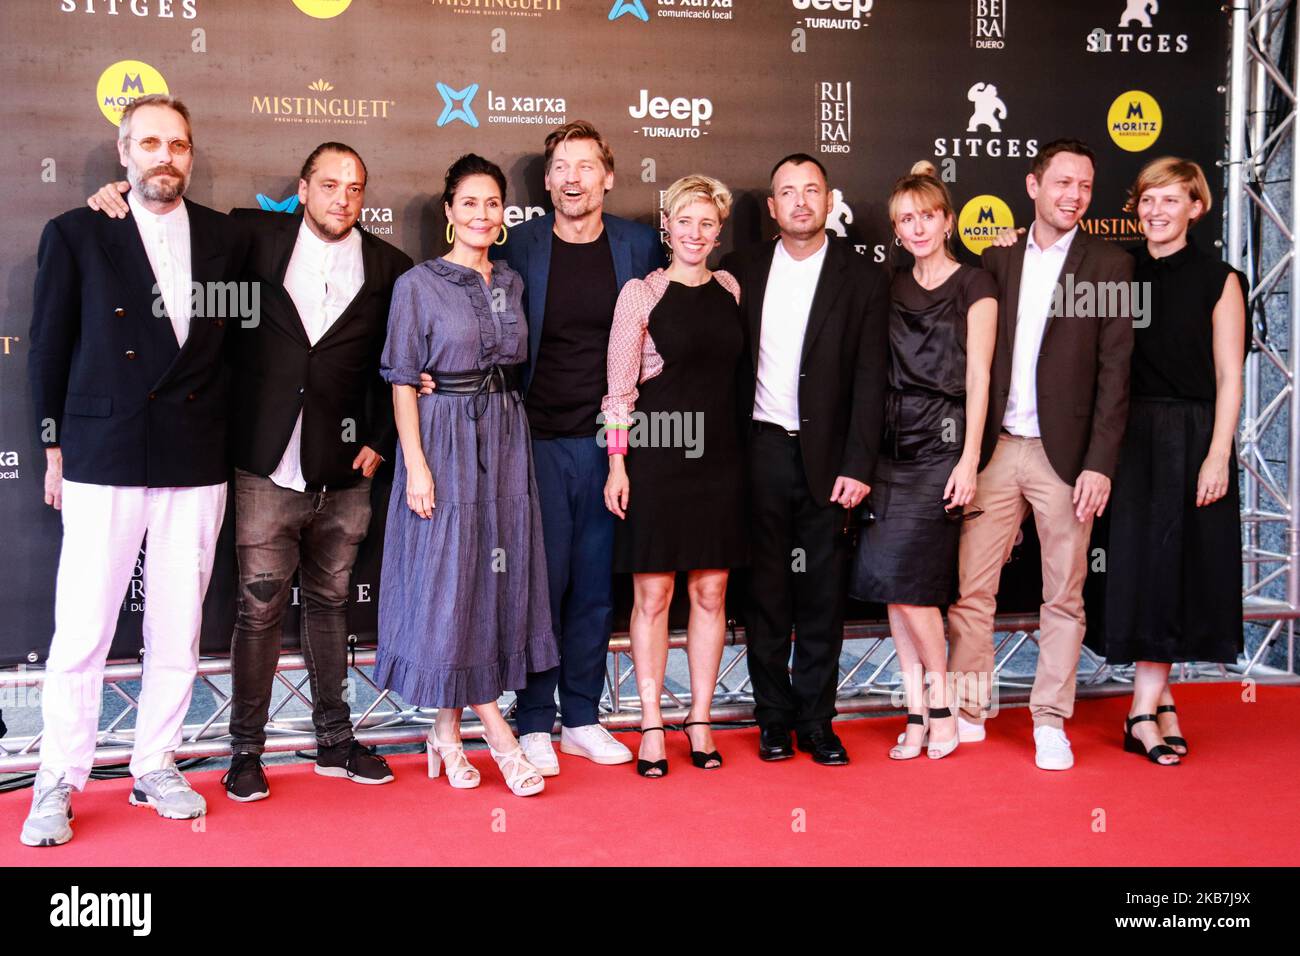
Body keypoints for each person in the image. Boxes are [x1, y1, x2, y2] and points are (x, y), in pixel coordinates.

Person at [86, 143, 415, 800]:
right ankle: (245, 751)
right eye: (328, 185)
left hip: (344, 471)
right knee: (258, 611)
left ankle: (335, 741)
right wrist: (116, 201)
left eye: (354, 188)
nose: (341, 199)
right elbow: (173, 234)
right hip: (264, 462)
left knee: (329, 605)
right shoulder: (250, 236)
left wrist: (380, 439)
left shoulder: (391, 267)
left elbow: (394, 361)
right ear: (302, 188)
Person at [22, 95, 249, 846]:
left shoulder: (225, 237)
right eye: (149, 143)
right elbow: (49, 349)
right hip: (103, 454)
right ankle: (57, 778)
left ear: (191, 154)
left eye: (178, 144)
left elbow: (239, 346)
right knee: (82, 629)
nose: (164, 156)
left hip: (194, 455)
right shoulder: (79, 233)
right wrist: (53, 447)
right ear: (123, 153)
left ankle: (156, 764)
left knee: (177, 627)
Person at [423, 121, 664, 776]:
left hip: (607, 444)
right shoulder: (520, 245)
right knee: (538, 585)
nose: (573, 178)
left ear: (607, 177)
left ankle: (582, 716)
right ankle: (533, 721)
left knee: (591, 586)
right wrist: (431, 371)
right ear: (548, 180)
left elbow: (676, 322)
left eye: (586, 165)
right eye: (561, 166)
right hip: (529, 441)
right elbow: (471, 316)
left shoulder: (639, 246)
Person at [945, 139, 1135, 771]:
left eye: (1084, 185)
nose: (1073, 195)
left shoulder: (1109, 265)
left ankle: (1050, 719)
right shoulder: (994, 261)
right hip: (998, 448)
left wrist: (1100, 461)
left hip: (1067, 457)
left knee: (1064, 596)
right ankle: (970, 710)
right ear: (1033, 185)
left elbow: (1116, 372)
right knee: (973, 591)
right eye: (1061, 182)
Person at [377, 154, 557, 797]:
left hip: (506, 439)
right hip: (443, 441)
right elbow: (403, 381)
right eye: (469, 203)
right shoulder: (418, 284)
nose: (482, 215)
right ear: (449, 210)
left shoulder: (511, 281)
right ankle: (496, 734)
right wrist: (417, 467)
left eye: (492, 204)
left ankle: (444, 735)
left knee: (486, 584)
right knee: (451, 580)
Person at [721, 154, 891, 766]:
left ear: (828, 200)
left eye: (810, 191)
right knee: (767, 594)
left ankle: (817, 721)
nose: (799, 202)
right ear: (771, 207)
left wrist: (859, 463)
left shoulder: (863, 277)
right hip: (760, 451)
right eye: (786, 193)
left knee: (822, 598)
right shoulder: (738, 271)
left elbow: (873, 380)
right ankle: (772, 720)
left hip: (830, 462)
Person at [849, 161, 997, 760]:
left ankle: (941, 706)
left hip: (944, 440)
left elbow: (982, 377)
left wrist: (970, 461)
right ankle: (914, 711)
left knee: (913, 586)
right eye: (905, 219)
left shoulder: (975, 284)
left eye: (926, 216)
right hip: (890, 441)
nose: (916, 227)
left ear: (947, 220)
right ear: (895, 227)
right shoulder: (887, 285)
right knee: (892, 585)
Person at [600, 175, 746, 777]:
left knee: (711, 592)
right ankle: (653, 721)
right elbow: (618, 391)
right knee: (653, 594)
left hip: (720, 460)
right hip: (657, 457)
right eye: (684, 221)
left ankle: (702, 719)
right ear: (668, 227)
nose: (695, 233)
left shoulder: (731, 288)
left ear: (718, 231)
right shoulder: (642, 293)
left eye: (707, 223)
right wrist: (616, 462)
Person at [1103, 157, 1246, 763]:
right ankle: (1158, 703)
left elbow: (1230, 377)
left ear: (1196, 207)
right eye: (1147, 200)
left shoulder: (1221, 279)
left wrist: (1218, 454)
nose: (1156, 211)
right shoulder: (1116, 270)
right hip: (1128, 438)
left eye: (1171, 200)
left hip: (1193, 436)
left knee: (1178, 569)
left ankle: (1141, 710)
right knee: (1139, 572)